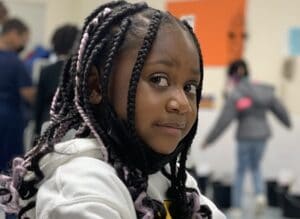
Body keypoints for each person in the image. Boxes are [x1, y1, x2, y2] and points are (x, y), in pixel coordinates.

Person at [0, 2, 226, 219]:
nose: (183, 104)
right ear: (96, 86)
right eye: (159, 79)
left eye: (190, 87)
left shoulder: (174, 179)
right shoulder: (81, 188)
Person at [202, 59, 291, 217]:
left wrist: (209, 140)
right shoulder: (261, 89)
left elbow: (224, 119)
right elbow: (278, 107)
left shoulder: (237, 93)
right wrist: (288, 123)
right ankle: (260, 196)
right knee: (256, 167)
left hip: (245, 137)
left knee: (240, 171)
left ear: (232, 75)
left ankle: (236, 208)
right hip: (262, 136)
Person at [0, 18, 34, 171]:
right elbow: (28, 93)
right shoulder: (15, 62)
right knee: (8, 166)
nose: (24, 45)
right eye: (23, 40)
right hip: (8, 120)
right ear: (13, 34)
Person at [34, 24, 79, 136]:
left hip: (47, 122)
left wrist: (36, 131)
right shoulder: (80, 71)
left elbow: (38, 105)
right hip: (73, 126)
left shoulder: (46, 71)